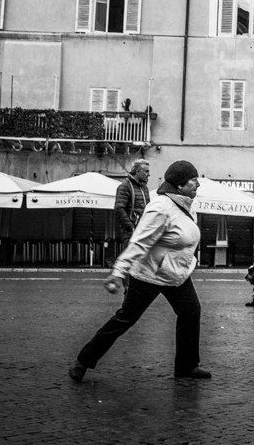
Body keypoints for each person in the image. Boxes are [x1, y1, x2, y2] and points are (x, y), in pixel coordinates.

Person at [69, 160, 210, 382]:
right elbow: (139, 243)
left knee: (191, 312)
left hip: (176, 274)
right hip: (149, 274)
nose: (197, 185)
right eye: (193, 180)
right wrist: (118, 272)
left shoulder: (184, 205)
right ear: (180, 185)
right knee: (125, 319)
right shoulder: (160, 208)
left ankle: (187, 366)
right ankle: (83, 361)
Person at [114, 159, 151, 242]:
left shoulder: (145, 188)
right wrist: (131, 227)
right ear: (138, 172)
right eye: (146, 171)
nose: (149, 174)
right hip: (131, 235)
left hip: (143, 232)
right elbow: (119, 209)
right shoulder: (125, 187)